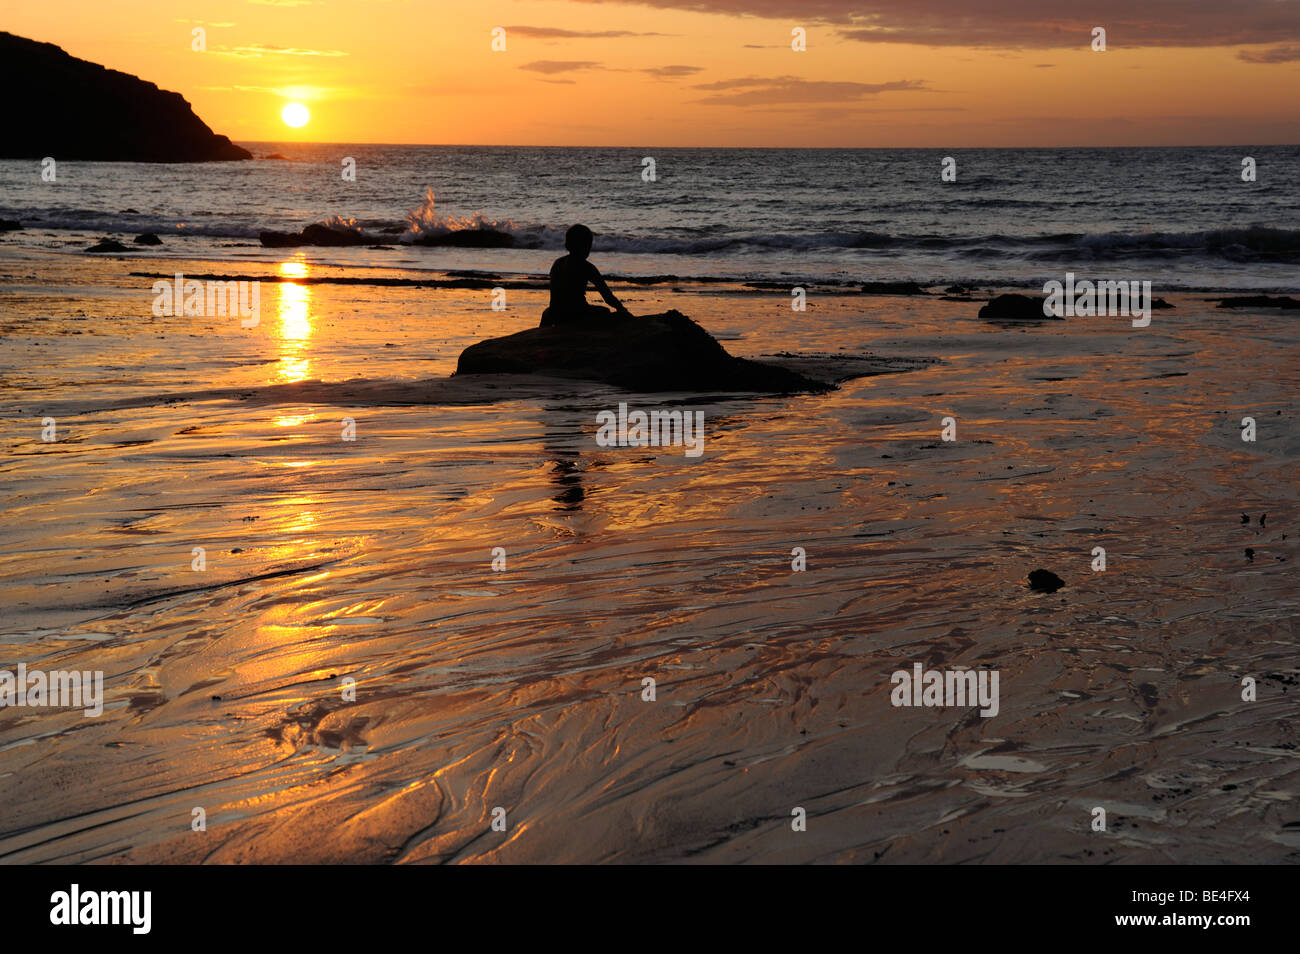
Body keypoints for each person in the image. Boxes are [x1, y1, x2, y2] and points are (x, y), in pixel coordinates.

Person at [539, 224, 632, 327]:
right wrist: (622, 310)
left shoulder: (558, 263)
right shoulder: (587, 267)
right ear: (586, 246)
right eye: (588, 245)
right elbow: (607, 296)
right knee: (605, 311)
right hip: (576, 313)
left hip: (555, 314)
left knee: (546, 312)